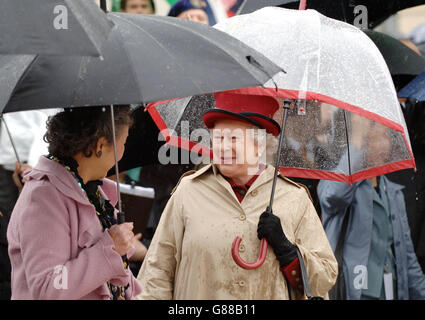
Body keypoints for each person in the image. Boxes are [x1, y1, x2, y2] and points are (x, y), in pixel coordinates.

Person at [136, 92, 337, 299]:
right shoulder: (188, 192)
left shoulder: (294, 199)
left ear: (259, 145)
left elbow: (324, 279)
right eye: (218, 138)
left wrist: (288, 251)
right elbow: (157, 272)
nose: (223, 147)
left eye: (233, 138)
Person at [7, 106, 142, 300]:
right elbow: (48, 288)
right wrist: (109, 250)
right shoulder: (43, 196)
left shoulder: (92, 191)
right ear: (100, 146)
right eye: (124, 140)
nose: (124, 150)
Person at [318, 116, 425, 300]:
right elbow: (332, 197)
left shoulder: (393, 192)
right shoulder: (342, 184)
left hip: (390, 290)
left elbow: (408, 258)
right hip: (354, 291)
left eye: (386, 138)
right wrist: (357, 140)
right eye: (376, 138)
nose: (384, 145)